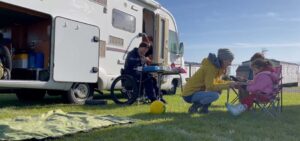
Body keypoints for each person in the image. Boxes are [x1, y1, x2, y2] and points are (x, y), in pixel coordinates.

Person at [181, 48, 237, 114]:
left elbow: (217, 82)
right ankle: (194, 107)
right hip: (189, 94)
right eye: (229, 61)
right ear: (223, 60)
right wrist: (228, 85)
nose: (230, 63)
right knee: (215, 95)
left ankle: (204, 109)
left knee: (216, 91)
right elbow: (210, 86)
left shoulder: (216, 67)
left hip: (194, 93)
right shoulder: (211, 68)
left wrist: (229, 83)